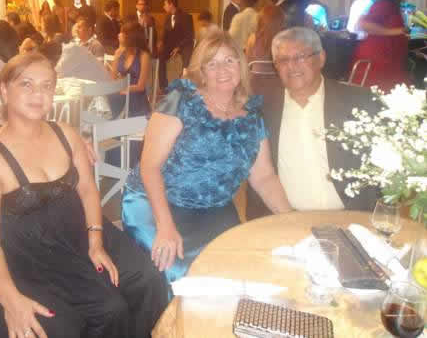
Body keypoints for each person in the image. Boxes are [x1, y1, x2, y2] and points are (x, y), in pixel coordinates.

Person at [0, 52, 168, 338]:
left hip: (85, 226)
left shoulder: (65, 133)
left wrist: (95, 241)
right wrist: (8, 297)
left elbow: (87, 189)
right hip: (39, 250)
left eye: (47, 85)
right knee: (110, 310)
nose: (38, 94)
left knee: (148, 278)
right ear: (4, 91)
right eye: (26, 84)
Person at [121, 30, 292, 284]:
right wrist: (165, 227)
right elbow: (149, 167)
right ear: (201, 71)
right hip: (155, 202)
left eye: (229, 60)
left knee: (237, 269)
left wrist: (291, 218)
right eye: (212, 63)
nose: (222, 69)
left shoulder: (251, 116)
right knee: (178, 270)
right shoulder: (181, 101)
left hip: (214, 208)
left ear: (241, 64)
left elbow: (265, 177)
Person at [246, 27, 380, 219]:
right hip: (284, 218)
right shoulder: (263, 108)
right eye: (283, 60)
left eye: (300, 57)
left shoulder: (360, 102)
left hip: (349, 217)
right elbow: (261, 175)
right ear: (276, 66)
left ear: (321, 58)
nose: (292, 66)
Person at [349, 0, 411, 91]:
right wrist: (396, 31)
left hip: (389, 59)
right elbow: (364, 24)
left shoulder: (393, 6)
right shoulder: (383, 5)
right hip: (379, 59)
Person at [108, 21, 152, 117]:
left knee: (116, 97)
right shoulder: (119, 52)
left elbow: (141, 86)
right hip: (121, 91)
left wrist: (125, 89)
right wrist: (117, 54)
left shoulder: (143, 55)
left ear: (130, 37)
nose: (119, 35)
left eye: (122, 33)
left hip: (135, 93)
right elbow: (113, 78)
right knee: (106, 97)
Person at [158, 0, 194, 90]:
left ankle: (184, 78)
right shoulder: (167, 17)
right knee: (160, 55)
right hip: (170, 45)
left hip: (183, 44)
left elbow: (189, 36)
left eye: (165, 4)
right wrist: (161, 41)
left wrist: (178, 47)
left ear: (171, 5)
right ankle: (163, 86)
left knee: (188, 51)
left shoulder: (186, 16)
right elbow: (165, 33)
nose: (163, 7)